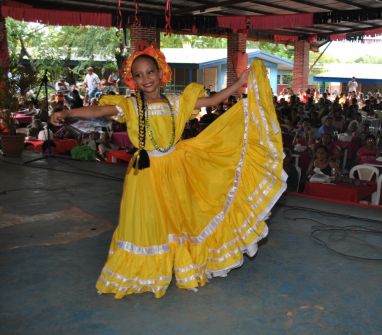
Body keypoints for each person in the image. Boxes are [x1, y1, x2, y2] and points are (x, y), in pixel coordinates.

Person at [50, 46, 286, 299]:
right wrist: (67, 112)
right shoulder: (130, 105)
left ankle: (182, 262)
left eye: (150, 72)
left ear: (161, 73)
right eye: (139, 75)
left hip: (175, 168)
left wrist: (239, 83)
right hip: (145, 174)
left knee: (178, 218)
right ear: (133, 79)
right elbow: (98, 110)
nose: (146, 79)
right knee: (146, 220)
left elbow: (213, 101)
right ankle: (145, 269)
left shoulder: (176, 102)